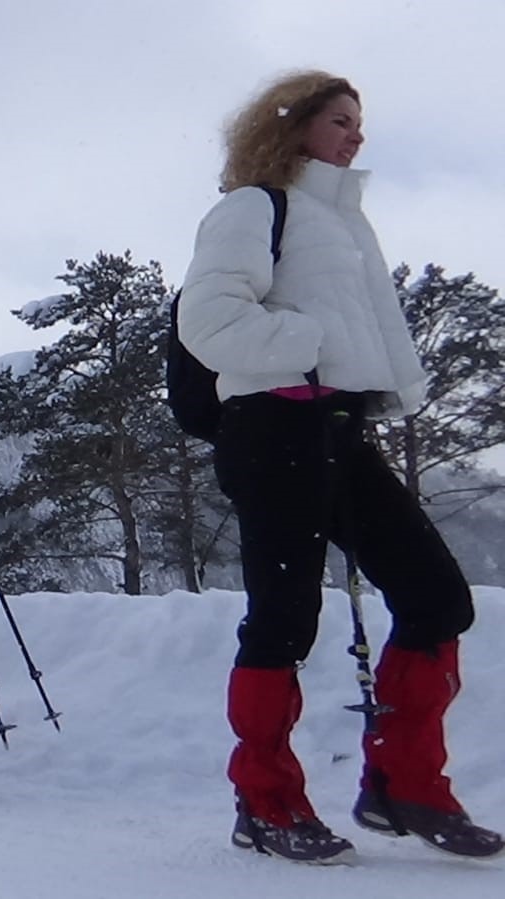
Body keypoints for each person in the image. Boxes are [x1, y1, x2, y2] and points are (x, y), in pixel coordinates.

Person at [179, 71, 501, 862]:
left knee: (434, 598)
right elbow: (208, 317)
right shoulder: (255, 205)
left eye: (359, 122)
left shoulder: (343, 221)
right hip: (272, 426)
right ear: (289, 126)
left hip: (336, 426)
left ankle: (404, 785)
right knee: (283, 617)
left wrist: (362, 386)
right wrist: (305, 346)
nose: (355, 135)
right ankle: (264, 800)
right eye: (339, 120)